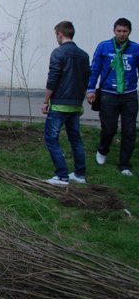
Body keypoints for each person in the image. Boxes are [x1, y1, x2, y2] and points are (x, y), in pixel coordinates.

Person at [86, 17, 139, 176]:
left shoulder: (136, 49)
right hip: (109, 95)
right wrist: (90, 89)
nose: (122, 34)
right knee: (109, 128)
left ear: (130, 31)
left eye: (125, 31)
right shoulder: (104, 47)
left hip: (129, 95)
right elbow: (95, 69)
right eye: (119, 31)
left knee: (129, 131)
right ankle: (102, 149)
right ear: (114, 30)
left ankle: (124, 164)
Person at [43, 21, 91, 186]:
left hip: (60, 103)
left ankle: (62, 175)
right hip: (76, 104)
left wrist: (46, 101)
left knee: (51, 138)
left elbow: (53, 78)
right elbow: (86, 79)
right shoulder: (83, 55)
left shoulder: (58, 53)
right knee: (75, 139)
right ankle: (79, 173)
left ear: (60, 34)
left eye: (56, 34)